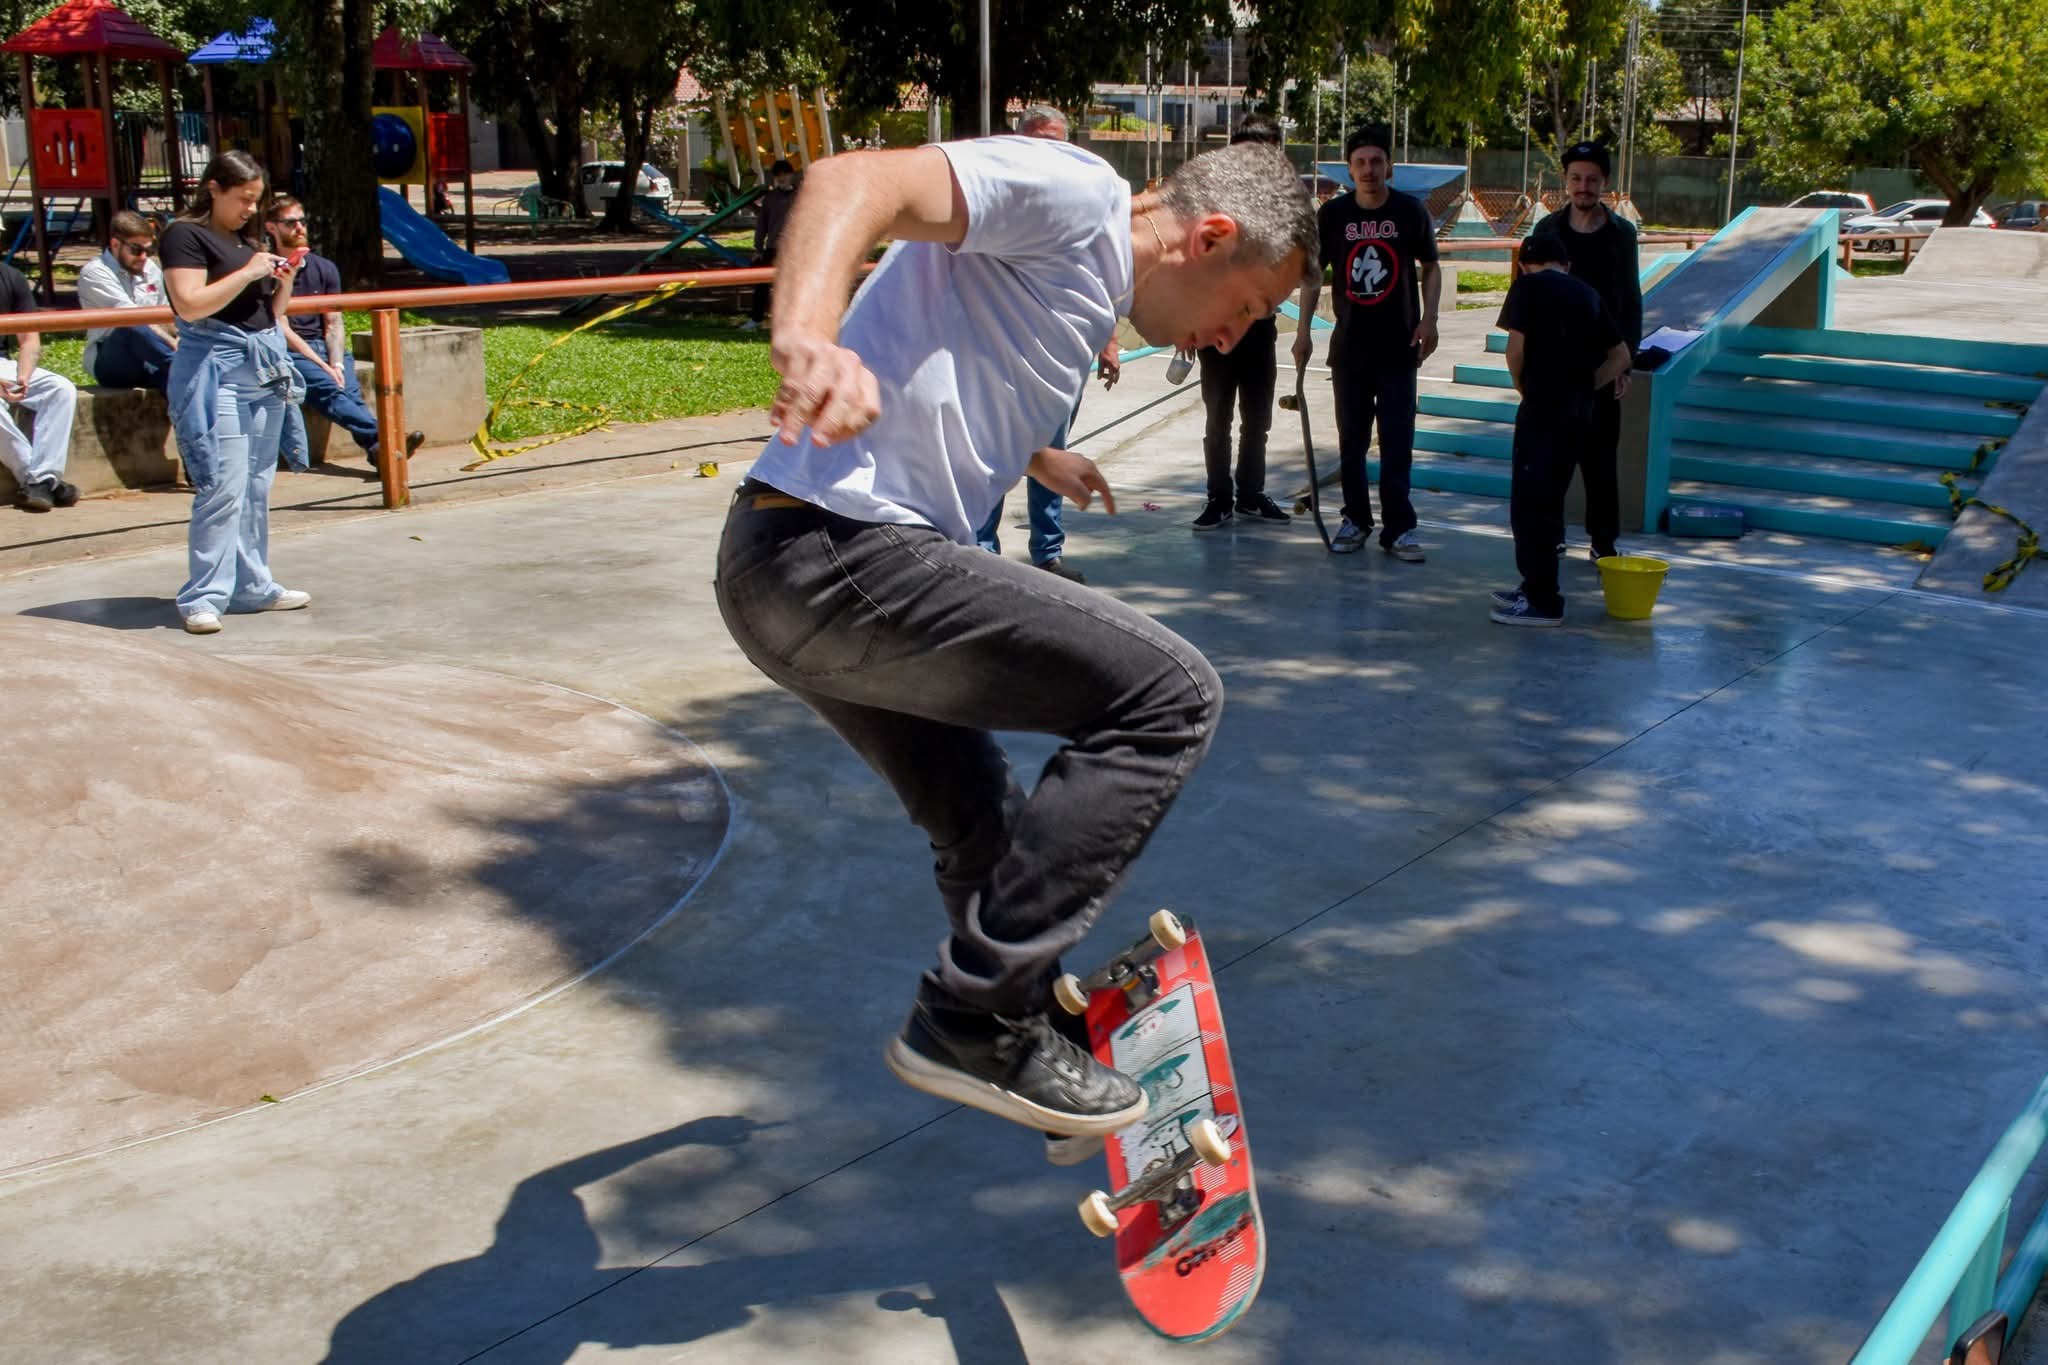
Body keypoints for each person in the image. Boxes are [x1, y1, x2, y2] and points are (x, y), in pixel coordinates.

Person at [715, 136, 1313, 1150]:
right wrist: (806, 338)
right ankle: (975, 1018)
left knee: (983, 823)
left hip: (780, 574)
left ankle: (1019, 1040)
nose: (1227, 340)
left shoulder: (1073, 294)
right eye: (1247, 308)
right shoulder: (1079, 196)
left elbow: (951, 348)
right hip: (837, 549)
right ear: (1207, 236)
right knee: (1167, 697)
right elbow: (853, 181)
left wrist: (1040, 455)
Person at [160, 151, 311, 635]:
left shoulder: (245, 237)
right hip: (217, 368)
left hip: (261, 365)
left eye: (256, 200)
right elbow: (189, 304)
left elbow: (269, 311)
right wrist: (247, 272)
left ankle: (252, 585)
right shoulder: (184, 234)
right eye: (243, 199)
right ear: (214, 189)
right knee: (221, 486)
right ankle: (203, 595)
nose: (250, 209)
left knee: (255, 485)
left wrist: (281, 283)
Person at [973, 103, 1120, 583]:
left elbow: (1100, 279)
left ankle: (1048, 554)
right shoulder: (1001, 202)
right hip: (1006, 357)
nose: (1046, 150)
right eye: (1037, 139)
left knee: (1053, 453)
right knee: (995, 451)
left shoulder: (1083, 207)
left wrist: (1109, 341)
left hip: (1062, 359)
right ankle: (982, 551)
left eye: (1055, 140)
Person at [1292, 124, 1441, 560]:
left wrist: (1429, 319)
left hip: (1399, 347)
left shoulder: (1410, 212)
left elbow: (1431, 267)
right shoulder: (1333, 215)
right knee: (1351, 441)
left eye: (1377, 161)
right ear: (1350, 169)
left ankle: (1399, 529)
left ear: (1389, 166)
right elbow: (1313, 277)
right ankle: (1355, 519)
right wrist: (1302, 332)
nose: (1369, 170)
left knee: (1397, 441)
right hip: (1350, 348)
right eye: (1360, 162)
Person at [1489, 236, 1632, 627]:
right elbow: (1621, 356)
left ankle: (1543, 599)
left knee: (1531, 505)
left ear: (1523, 265)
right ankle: (1535, 585)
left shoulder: (1527, 287)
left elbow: (1514, 350)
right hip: (1578, 413)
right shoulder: (1587, 292)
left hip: (1543, 410)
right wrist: (1587, 386)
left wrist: (1525, 388)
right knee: (1550, 500)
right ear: (1566, 265)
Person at [1525, 141, 1641, 561]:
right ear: (1566, 181)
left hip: (1602, 364)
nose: (1583, 186)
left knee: (1599, 462)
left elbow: (1630, 300)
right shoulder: (1547, 232)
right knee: (1551, 459)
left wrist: (1625, 362)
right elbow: (1531, 297)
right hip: (1554, 366)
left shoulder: (1620, 235)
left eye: (1592, 179)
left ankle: (1603, 542)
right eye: (1576, 178)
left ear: (1604, 183)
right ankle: (1550, 532)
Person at [264, 196, 421, 469]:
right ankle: (390, 441)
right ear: (271, 228)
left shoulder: (324, 268)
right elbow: (281, 325)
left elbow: (334, 323)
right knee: (331, 391)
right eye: (290, 222)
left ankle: (378, 450)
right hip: (292, 351)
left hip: (325, 348)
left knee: (348, 392)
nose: (300, 227)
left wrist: (335, 362)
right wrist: (321, 364)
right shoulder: (268, 269)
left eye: (302, 221)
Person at [1192, 112, 1291, 531]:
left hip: (1260, 329)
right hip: (1215, 329)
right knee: (1218, 418)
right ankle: (1219, 497)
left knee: (1258, 419)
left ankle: (1250, 494)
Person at [0, 257, 79, 513]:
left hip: (3, 363)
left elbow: (30, 340)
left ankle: (40, 479)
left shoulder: (10, 277)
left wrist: (23, 375)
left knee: (61, 388)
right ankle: (40, 481)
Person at [76, 211, 178, 391]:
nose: (144, 256)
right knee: (130, 325)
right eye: (136, 250)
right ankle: (184, 366)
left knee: (184, 387)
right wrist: (172, 345)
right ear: (115, 244)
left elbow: (165, 316)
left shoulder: (150, 268)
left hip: (153, 355)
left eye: (149, 249)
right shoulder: (95, 272)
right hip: (113, 360)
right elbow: (133, 319)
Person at [741, 158, 798, 332]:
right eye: (778, 175)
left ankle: (793, 323)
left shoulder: (802, 196)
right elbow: (762, 225)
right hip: (773, 248)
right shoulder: (770, 198)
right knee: (761, 284)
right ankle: (756, 320)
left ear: (791, 175)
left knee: (794, 287)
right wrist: (758, 248)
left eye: (785, 174)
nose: (782, 178)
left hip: (796, 250)